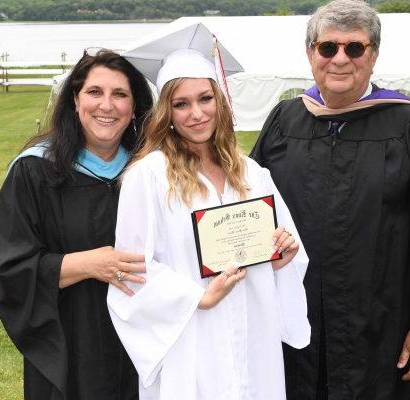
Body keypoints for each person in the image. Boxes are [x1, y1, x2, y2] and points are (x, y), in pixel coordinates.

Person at [250, 1, 410, 399]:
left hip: (381, 327)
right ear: (311, 54)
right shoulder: (284, 122)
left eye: (355, 48)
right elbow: (246, 208)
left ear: (373, 55)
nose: (340, 59)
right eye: (328, 47)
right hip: (294, 321)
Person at [106, 24, 311, 400]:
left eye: (205, 98)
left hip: (254, 337)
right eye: (181, 104)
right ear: (166, 111)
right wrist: (196, 297)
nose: (196, 114)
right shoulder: (148, 177)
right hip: (190, 343)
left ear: (221, 100)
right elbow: (131, 271)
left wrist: (282, 255)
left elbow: (282, 254)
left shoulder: (252, 173)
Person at [0, 49, 153, 399]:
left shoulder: (150, 171)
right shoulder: (34, 171)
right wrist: (88, 264)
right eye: (95, 92)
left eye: (120, 94)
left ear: (135, 106)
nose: (106, 105)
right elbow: (10, 268)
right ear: (75, 100)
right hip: (69, 344)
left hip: (144, 343)